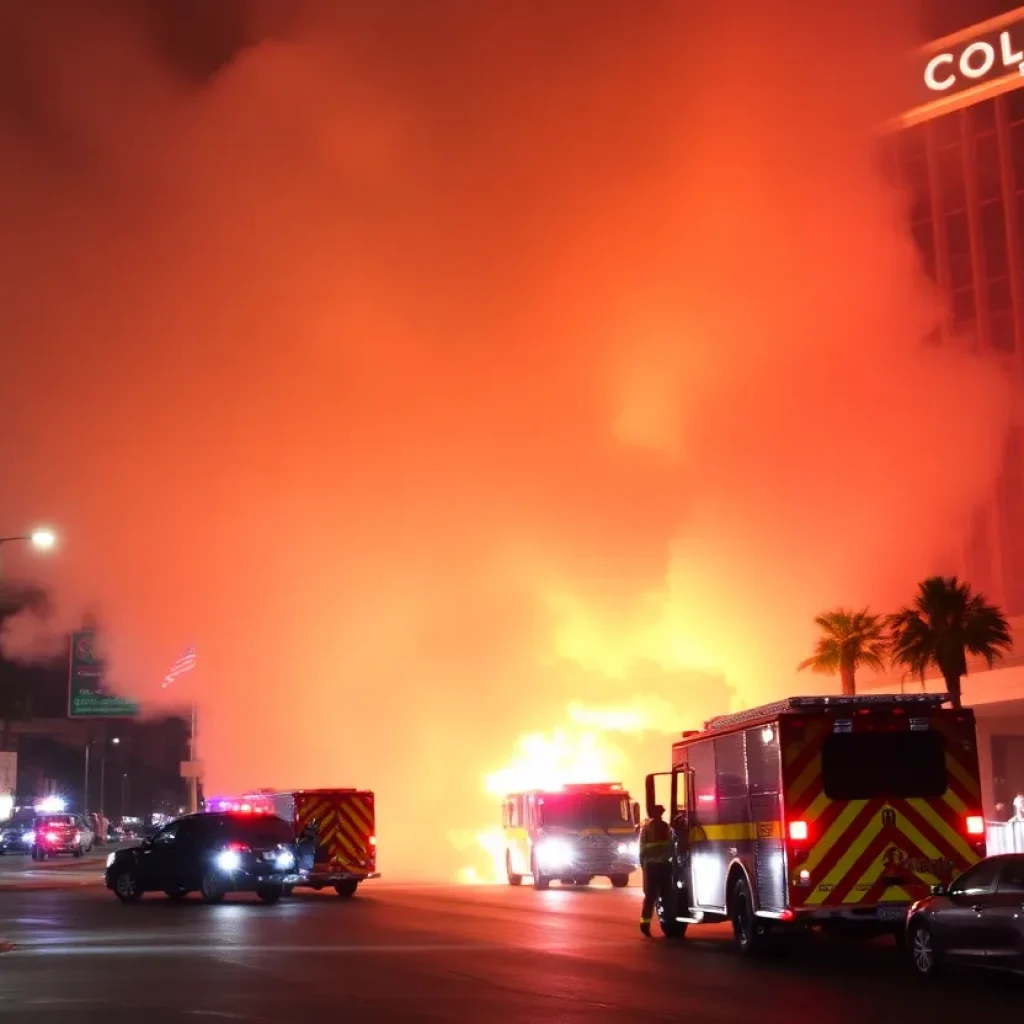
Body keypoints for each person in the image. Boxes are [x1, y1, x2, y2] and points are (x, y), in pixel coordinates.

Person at [638, 804, 673, 937]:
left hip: (650, 866)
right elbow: (671, 845)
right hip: (663, 866)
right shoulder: (665, 827)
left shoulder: (645, 829)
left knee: (650, 897)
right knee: (666, 895)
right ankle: (668, 923)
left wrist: (644, 866)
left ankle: (644, 925)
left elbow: (641, 850)